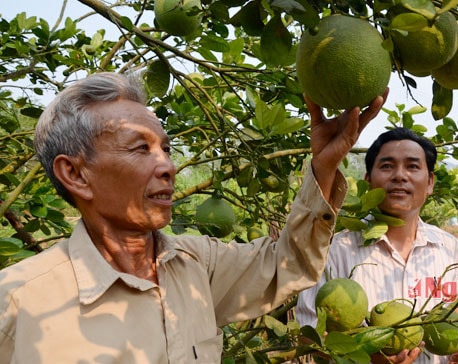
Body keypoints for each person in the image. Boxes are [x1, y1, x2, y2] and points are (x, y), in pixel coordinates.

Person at [0, 72, 388, 363]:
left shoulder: (196, 266)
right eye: (140, 148)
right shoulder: (18, 301)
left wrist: (323, 167)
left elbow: (286, 264)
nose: (167, 165)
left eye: (166, 149)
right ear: (75, 174)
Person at [296, 127, 458, 364]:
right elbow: (309, 336)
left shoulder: (449, 248)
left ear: (430, 182)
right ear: (369, 181)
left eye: (413, 166)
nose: (399, 176)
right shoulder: (336, 250)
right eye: (387, 166)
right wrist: (366, 357)